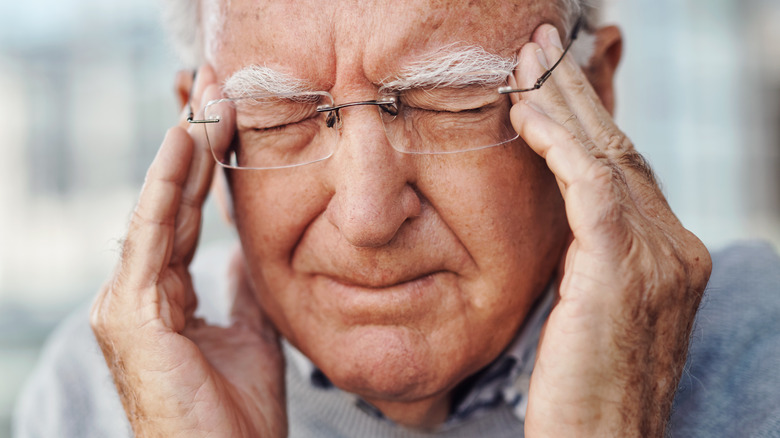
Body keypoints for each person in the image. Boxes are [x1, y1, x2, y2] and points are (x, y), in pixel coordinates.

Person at [13, 0, 780, 437]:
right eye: (282, 115)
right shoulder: (99, 393)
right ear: (206, 137)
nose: (369, 213)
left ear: (596, 98)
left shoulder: (765, 350)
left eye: (452, 101)